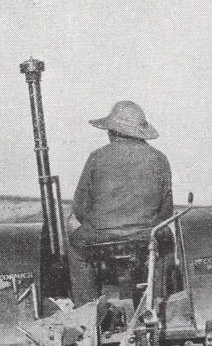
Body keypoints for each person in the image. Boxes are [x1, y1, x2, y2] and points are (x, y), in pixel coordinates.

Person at [68, 100, 173, 305]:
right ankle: (159, 300)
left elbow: (80, 208)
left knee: (76, 247)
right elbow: (166, 212)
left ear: (112, 132)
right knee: (166, 241)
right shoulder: (159, 159)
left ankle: (87, 309)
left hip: (100, 237)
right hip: (145, 236)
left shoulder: (97, 157)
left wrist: (101, 223)